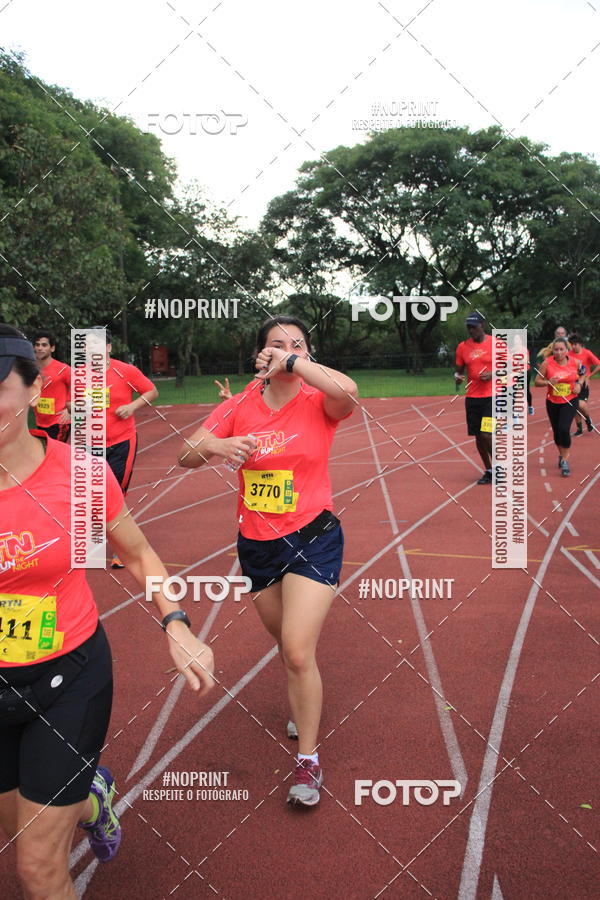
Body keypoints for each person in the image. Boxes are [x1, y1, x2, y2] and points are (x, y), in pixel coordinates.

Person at [0, 325, 214, 899]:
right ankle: (93, 795)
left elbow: (138, 554)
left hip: (66, 680)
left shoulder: (81, 476)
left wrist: (176, 624)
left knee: (36, 869)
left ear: (35, 389)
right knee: (15, 829)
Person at [178, 315, 358, 807]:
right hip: (257, 545)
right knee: (286, 644)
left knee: (297, 650)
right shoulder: (240, 405)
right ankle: (303, 698)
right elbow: (184, 453)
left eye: (297, 345)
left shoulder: (319, 400)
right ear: (260, 354)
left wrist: (294, 363)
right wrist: (216, 445)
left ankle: (308, 761)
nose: (286, 350)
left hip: (314, 537)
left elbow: (349, 389)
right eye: (276, 344)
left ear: (307, 354)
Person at [88, 329, 158, 568]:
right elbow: (68, 402)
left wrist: (132, 407)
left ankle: (122, 548)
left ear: (108, 347)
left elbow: (151, 391)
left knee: (116, 494)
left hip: (121, 442)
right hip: (91, 443)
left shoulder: (125, 370)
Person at [454, 312, 502, 485]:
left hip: (492, 396)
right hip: (473, 397)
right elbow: (458, 371)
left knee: (486, 434)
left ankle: (499, 467)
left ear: (483, 325)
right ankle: (489, 470)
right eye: (469, 327)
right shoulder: (462, 347)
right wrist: (457, 378)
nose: (471, 330)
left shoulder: (496, 344)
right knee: (478, 437)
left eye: (474, 327)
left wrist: (493, 374)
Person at [534, 337, 584, 477]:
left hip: (570, 400)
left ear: (567, 350)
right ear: (553, 350)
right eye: (556, 349)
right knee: (557, 432)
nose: (559, 352)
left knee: (564, 429)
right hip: (552, 402)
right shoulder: (547, 363)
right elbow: (537, 381)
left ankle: (565, 460)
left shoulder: (576, 362)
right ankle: (562, 455)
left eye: (562, 349)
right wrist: (548, 382)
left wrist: (579, 384)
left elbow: (582, 373)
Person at [32, 331, 72, 441]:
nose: (40, 348)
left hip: (59, 422)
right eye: (37, 345)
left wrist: (70, 410)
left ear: (52, 348)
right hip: (40, 421)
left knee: (57, 451)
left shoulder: (63, 369)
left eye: (44, 345)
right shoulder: (31, 369)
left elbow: (80, 388)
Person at [568, 333, 599, 435]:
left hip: (583, 383)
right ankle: (579, 429)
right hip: (572, 383)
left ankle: (588, 420)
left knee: (581, 404)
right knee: (574, 406)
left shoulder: (587, 353)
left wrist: (589, 376)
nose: (573, 346)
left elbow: (598, 364)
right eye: (571, 344)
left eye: (575, 344)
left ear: (580, 344)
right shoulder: (568, 354)